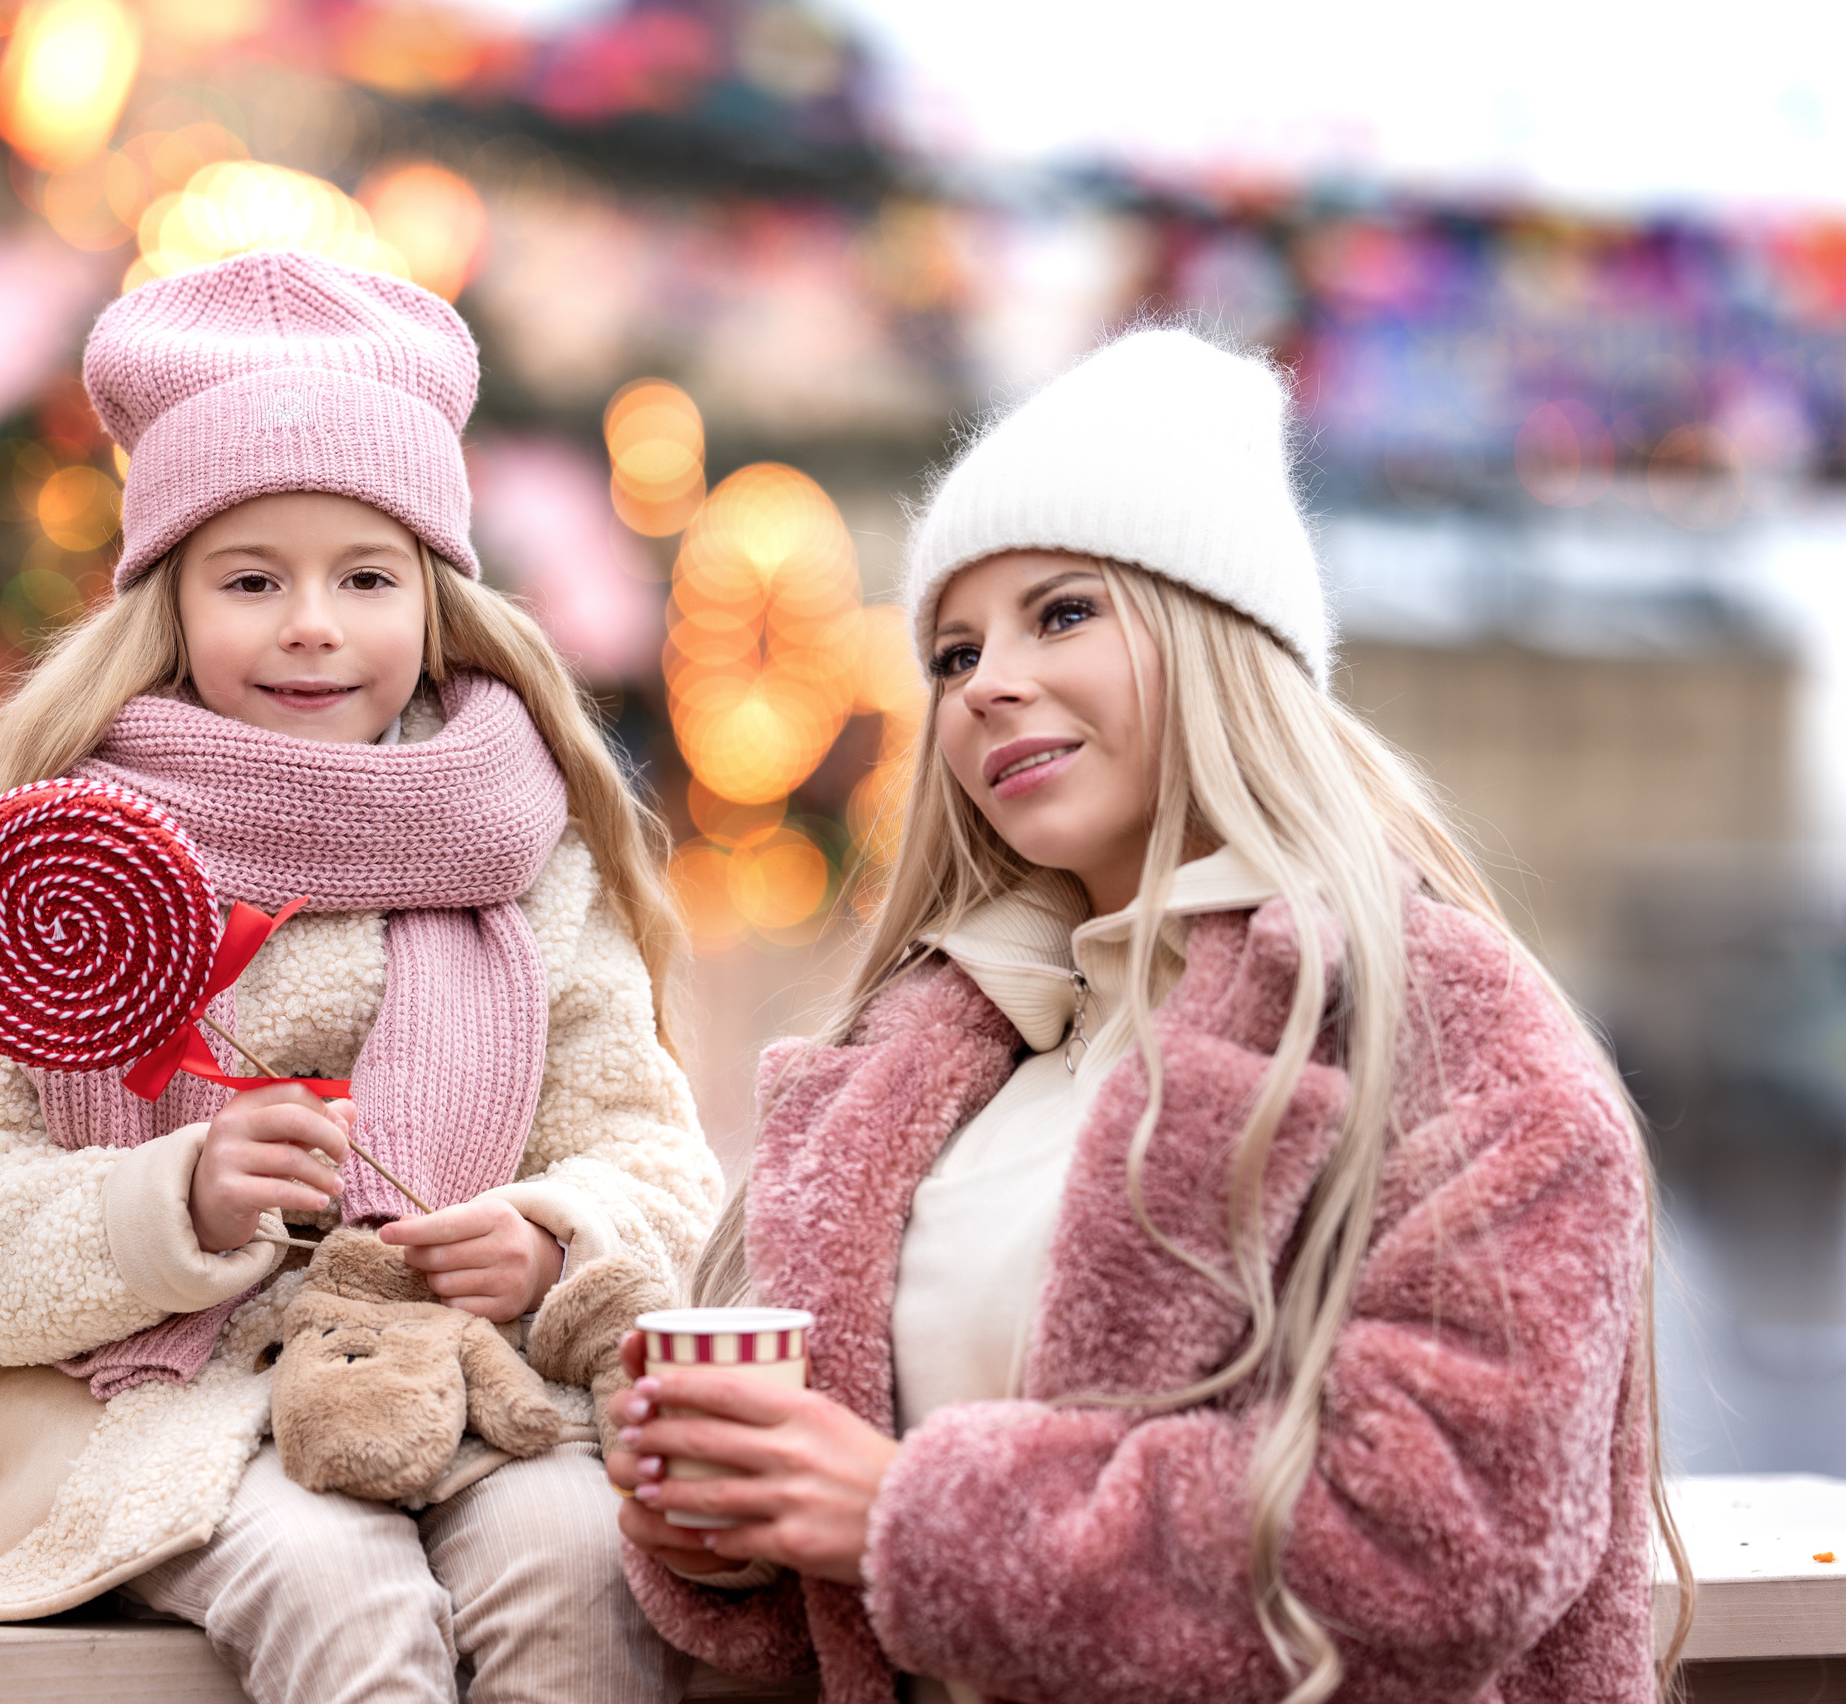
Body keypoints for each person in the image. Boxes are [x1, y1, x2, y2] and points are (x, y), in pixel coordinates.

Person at [606, 328, 1695, 1704]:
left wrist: (903, 1514)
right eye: (952, 650)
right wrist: (724, 1545)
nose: (987, 680)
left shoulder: (1446, 1033)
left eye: (1062, 614)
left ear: (1220, 642)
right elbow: (825, 1614)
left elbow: (1442, 1547)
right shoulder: (926, 1068)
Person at [0, 248, 719, 1704]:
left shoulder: (522, 846)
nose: (313, 624)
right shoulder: (58, 859)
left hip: (456, 1381)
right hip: (153, 1412)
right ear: (169, 600)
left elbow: (651, 1156)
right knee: (337, 1587)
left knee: (575, 1557)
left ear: (436, 597)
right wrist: (179, 1198)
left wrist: (553, 1232)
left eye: (365, 575)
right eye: (252, 577)